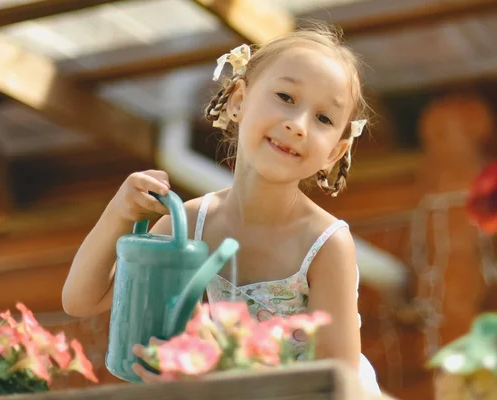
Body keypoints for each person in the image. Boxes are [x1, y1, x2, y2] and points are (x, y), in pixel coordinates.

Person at [62, 21, 381, 395]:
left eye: (324, 118)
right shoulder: (191, 224)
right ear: (238, 101)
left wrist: (218, 379)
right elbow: (82, 300)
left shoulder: (326, 244)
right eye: (286, 97)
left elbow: (334, 384)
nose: (297, 125)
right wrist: (119, 213)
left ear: (334, 153)